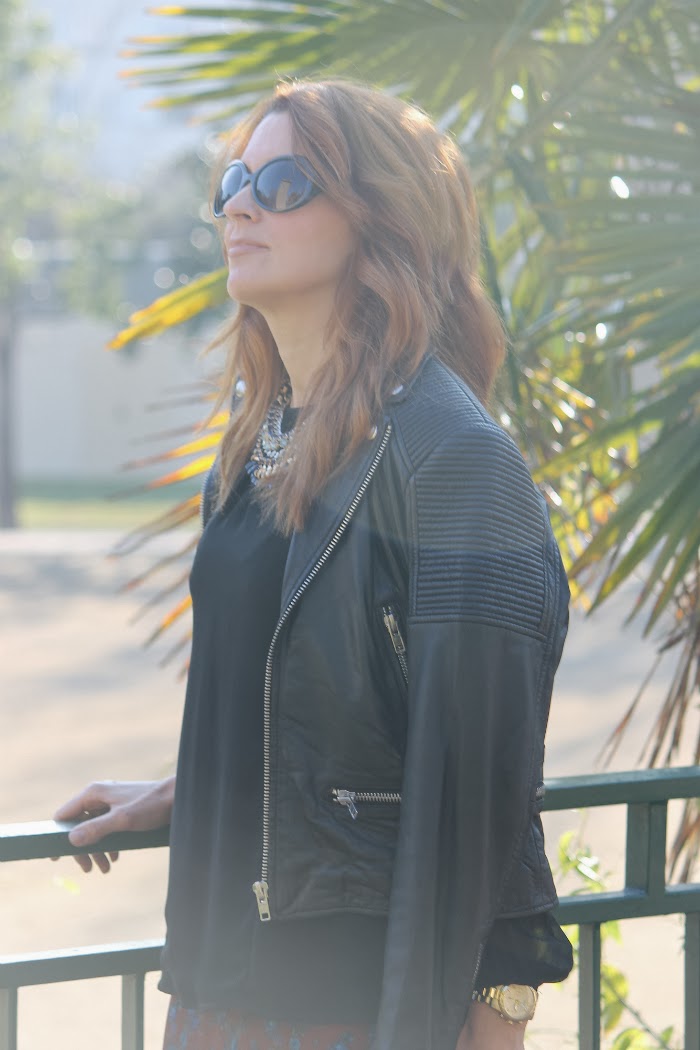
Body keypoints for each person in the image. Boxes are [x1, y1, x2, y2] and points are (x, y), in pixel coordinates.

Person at [54, 78, 573, 1050]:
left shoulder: (453, 456)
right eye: (234, 182)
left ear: (381, 218)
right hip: (212, 985)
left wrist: (491, 1019)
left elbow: (486, 797)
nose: (240, 207)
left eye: (284, 183)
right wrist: (185, 791)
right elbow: (305, 698)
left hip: (352, 1008)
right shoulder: (252, 442)